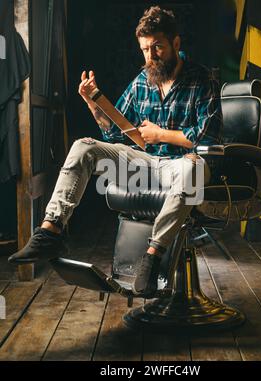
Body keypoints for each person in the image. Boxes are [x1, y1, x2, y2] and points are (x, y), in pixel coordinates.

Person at [8, 6, 222, 298]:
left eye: (157, 47)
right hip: (147, 161)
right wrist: (93, 104)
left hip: (183, 163)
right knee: (85, 147)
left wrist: (159, 134)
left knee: (192, 170)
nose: (151, 56)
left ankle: (153, 255)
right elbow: (113, 132)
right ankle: (50, 231)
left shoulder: (203, 79)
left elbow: (207, 137)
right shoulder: (141, 81)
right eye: (145, 49)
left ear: (175, 43)